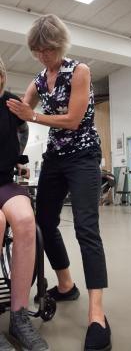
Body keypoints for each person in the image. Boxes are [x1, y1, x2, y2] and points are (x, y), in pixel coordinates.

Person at [7, 14, 111, 351]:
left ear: (58, 46)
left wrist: (33, 116)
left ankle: (97, 314)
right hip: (55, 158)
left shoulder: (78, 71)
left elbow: (73, 119)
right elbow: (19, 109)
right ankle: (66, 284)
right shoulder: (39, 78)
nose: (41, 57)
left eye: (46, 51)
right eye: (36, 51)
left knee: (86, 228)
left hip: (83, 157)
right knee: (44, 223)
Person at [0, 57, 49, 351]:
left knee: (26, 221)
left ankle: (18, 319)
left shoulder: (11, 103)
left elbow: (24, 127)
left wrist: (17, 157)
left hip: (5, 181)